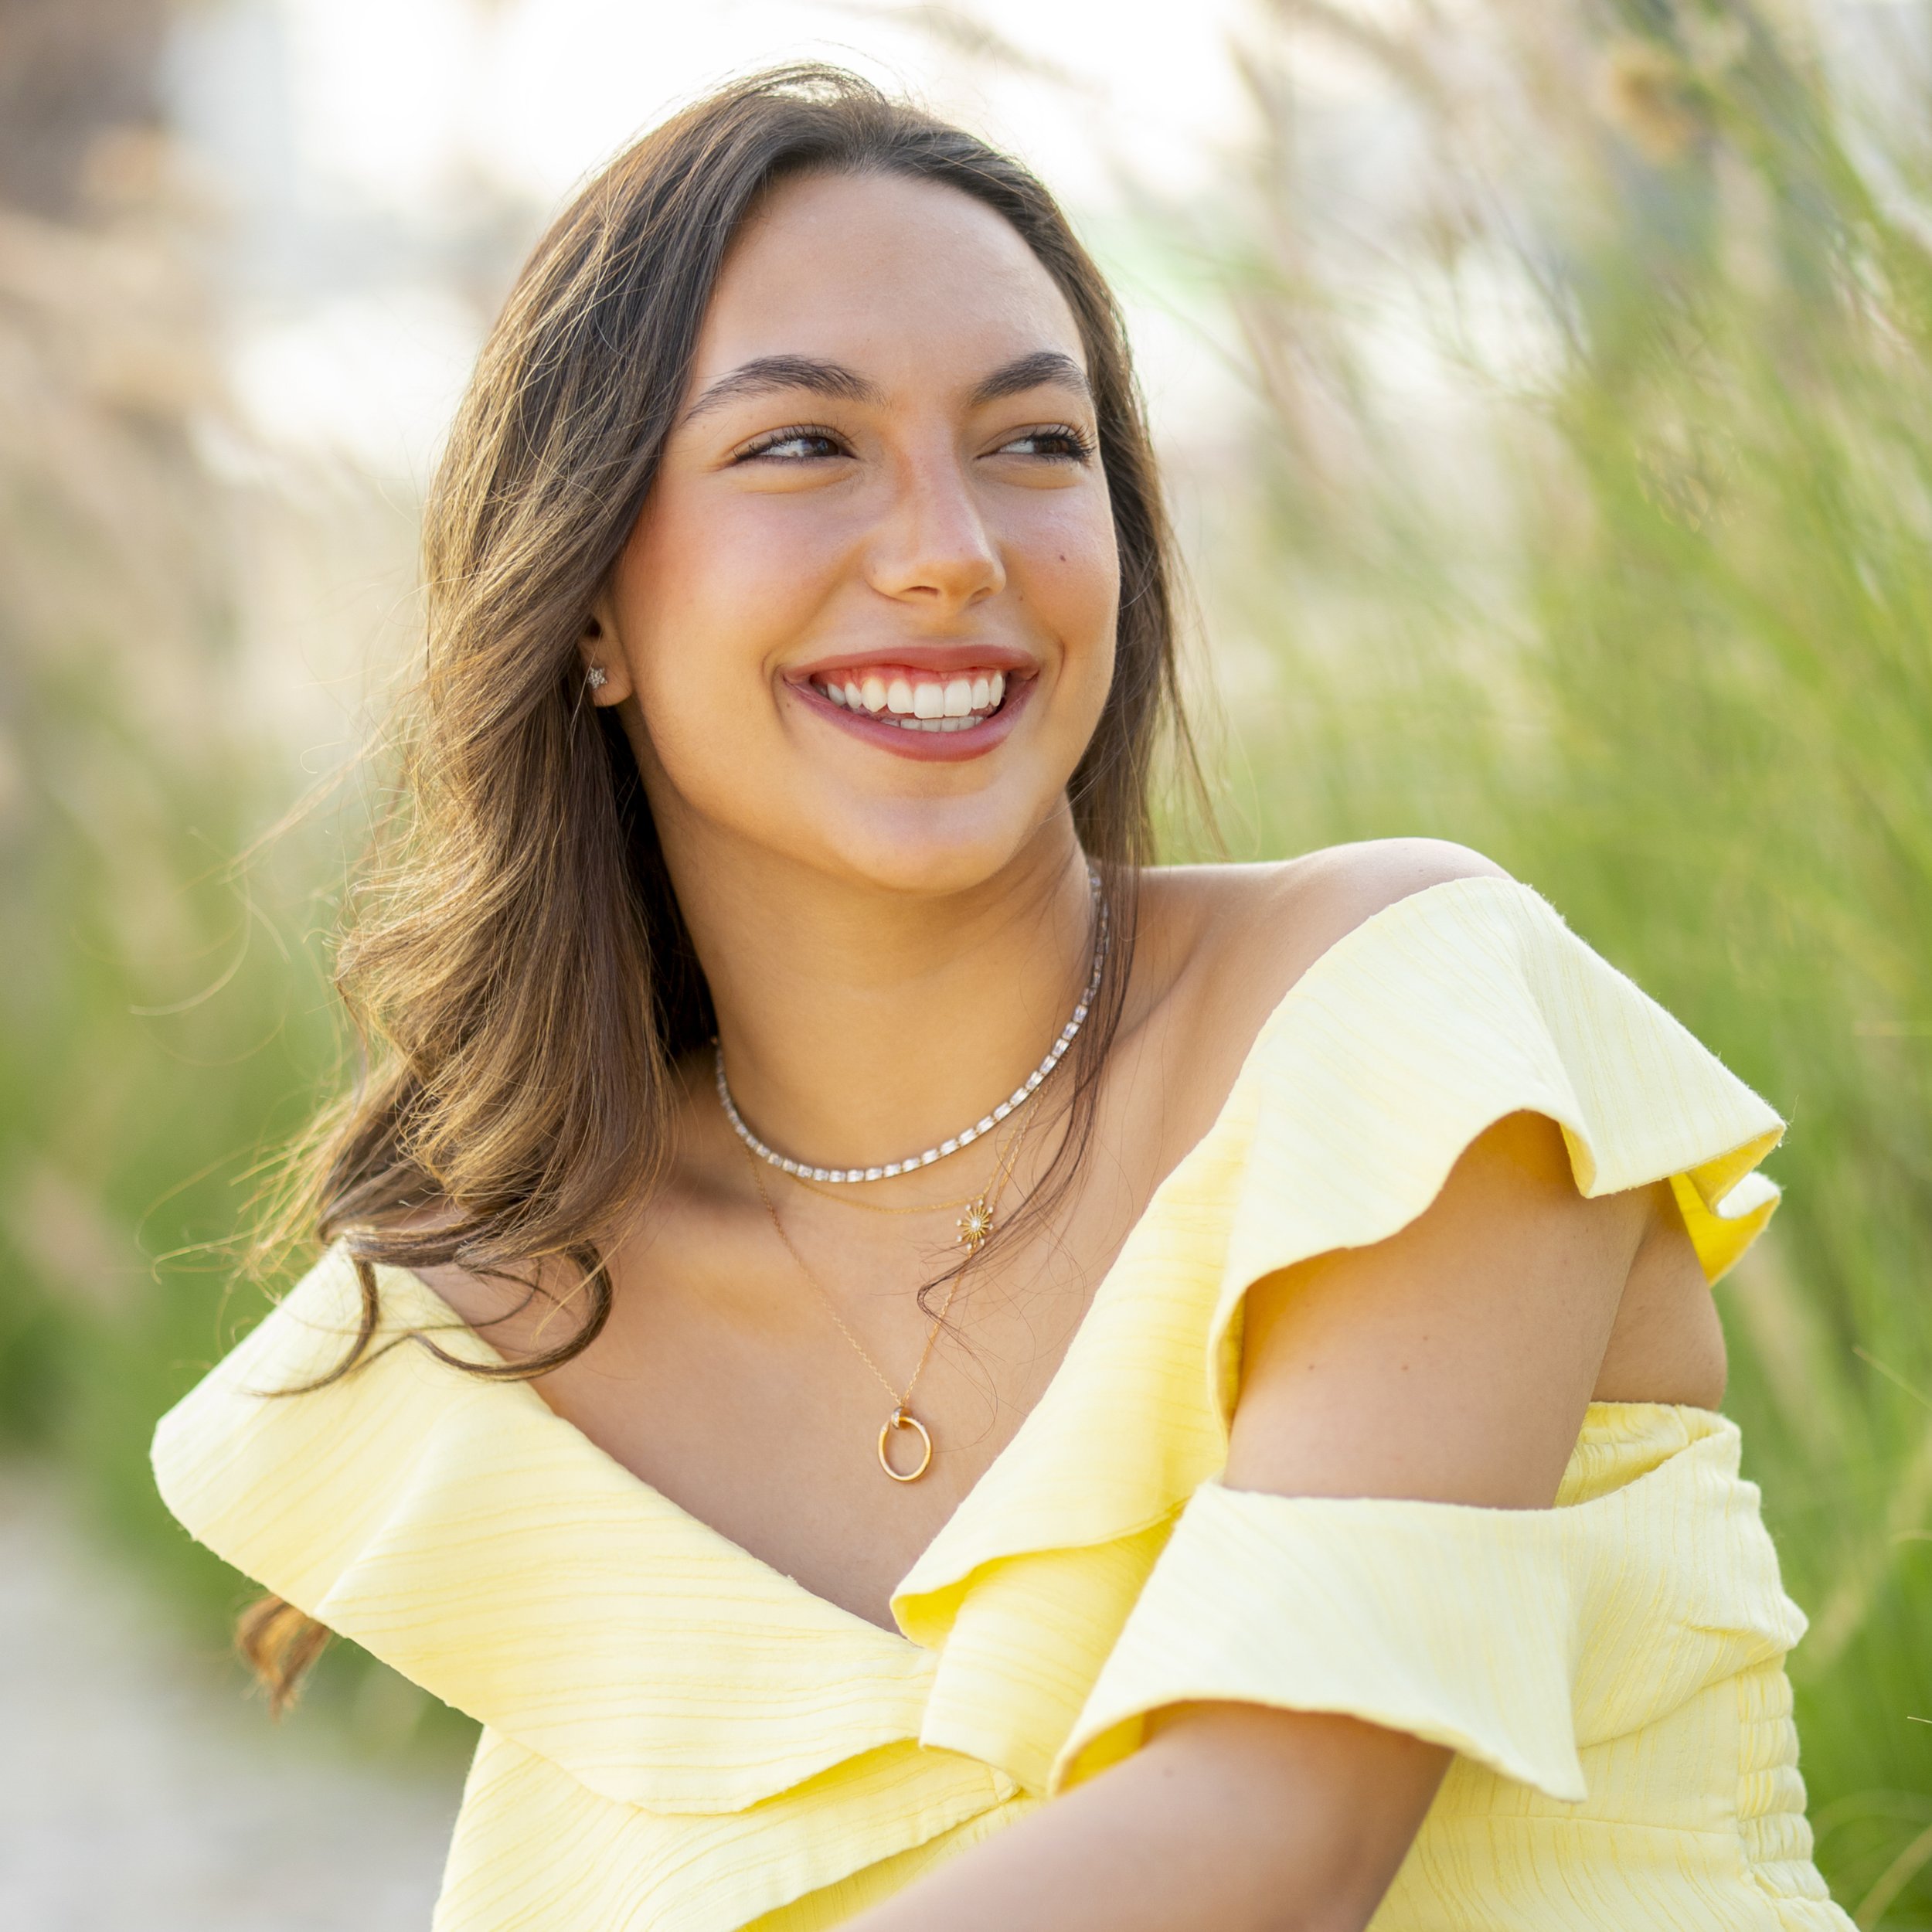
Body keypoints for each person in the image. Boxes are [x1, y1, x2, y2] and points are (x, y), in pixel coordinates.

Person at [151, 66, 1851, 1932]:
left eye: (1034, 444)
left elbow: (1268, 1842)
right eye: (802, 446)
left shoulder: (1399, 1023)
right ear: (584, 606)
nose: (950, 545)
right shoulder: (503, 1334)